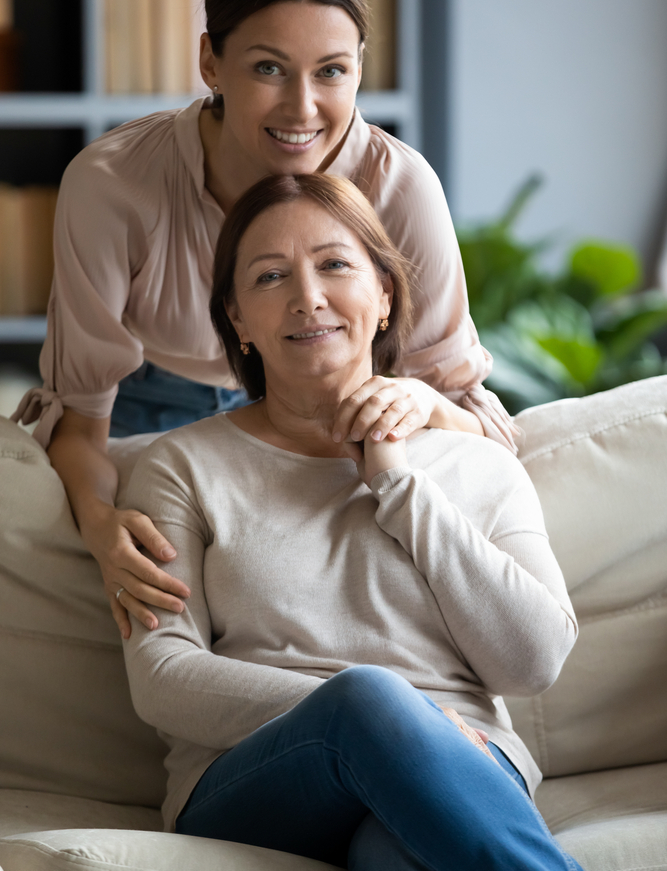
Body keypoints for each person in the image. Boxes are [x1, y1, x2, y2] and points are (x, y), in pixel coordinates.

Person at [12, 0, 517, 641]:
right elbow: (81, 421)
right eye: (268, 68)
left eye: (331, 71)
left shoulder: (399, 187)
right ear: (210, 63)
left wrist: (415, 401)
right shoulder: (113, 184)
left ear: (360, 66)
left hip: (335, 410)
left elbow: (473, 426)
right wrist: (99, 524)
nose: (302, 109)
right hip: (152, 407)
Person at [121, 172, 582, 871]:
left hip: (469, 765)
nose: (307, 296)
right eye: (270, 276)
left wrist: (398, 483)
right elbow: (162, 674)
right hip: (256, 782)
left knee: (392, 853)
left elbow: (534, 660)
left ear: (385, 294)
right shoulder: (182, 466)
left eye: (334, 264)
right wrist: (385, 718)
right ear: (238, 320)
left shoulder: (475, 464)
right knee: (368, 699)